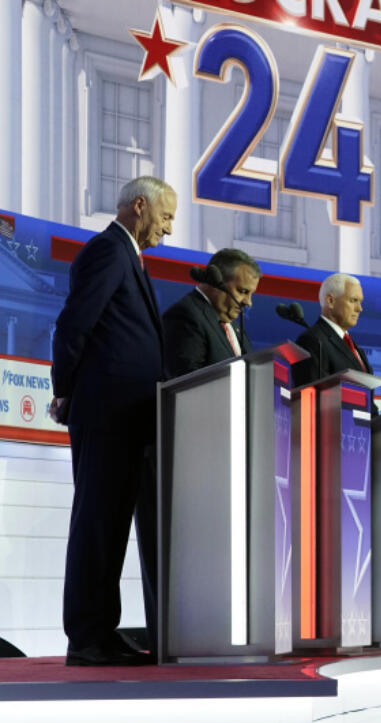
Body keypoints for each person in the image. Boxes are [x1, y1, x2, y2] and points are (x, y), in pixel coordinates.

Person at [51, 175, 177, 666]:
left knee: (110, 527)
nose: (168, 229)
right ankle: (86, 637)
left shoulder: (130, 257)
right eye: (165, 217)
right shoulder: (108, 251)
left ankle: (100, 630)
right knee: (97, 525)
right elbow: (73, 325)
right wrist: (65, 390)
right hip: (106, 415)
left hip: (128, 419)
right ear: (139, 206)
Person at [162, 248, 261, 377]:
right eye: (243, 291)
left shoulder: (235, 327)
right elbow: (187, 384)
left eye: (251, 294)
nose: (248, 302)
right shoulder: (185, 316)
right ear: (215, 280)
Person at [291, 272, 371, 386]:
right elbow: (315, 395)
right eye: (353, 300)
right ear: (330, 301)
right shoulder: (313, 341)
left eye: (360, 302)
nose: (359, 308)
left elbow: (367, 399)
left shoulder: (356, 349)